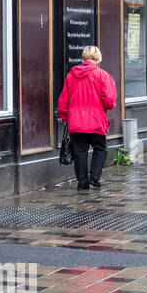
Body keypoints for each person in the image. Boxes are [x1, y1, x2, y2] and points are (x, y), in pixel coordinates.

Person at [57, 45, 118, 190]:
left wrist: (66, 117)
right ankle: (95, 178)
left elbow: (63, 101)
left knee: (79, 152)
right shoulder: (103, 75)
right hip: (96, 121)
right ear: (98, 59)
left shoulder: (71, 76)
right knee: (100, 149)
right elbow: (109, 101)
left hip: (76, 122)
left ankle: (82, 182)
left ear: (83, 57)